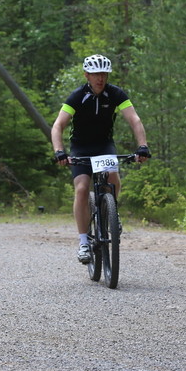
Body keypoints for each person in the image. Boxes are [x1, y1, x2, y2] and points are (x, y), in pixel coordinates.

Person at [51, 54, 151, 263]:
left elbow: (134, 119)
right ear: (87, 75)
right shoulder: (77, 96)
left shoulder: (115, 94)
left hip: (104, 145)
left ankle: (111, 212)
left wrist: (142, 146)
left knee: (112, 176)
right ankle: (84, 242)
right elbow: (58, 125)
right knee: (81, 188)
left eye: (104, 74)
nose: (100, 78)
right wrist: (60, 151)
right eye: (96, 74)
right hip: (81, 147)